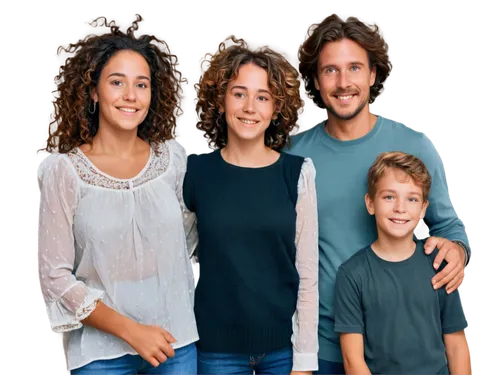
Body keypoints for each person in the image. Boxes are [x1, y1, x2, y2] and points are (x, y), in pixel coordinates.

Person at [285, 12, 472, 375]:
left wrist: (457, 250)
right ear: (316, 81)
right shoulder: (294, 157)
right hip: (323, 347)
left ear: (373, 75)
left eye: (354, 68)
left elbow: (450, 228)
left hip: (405, 349)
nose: (343, 83)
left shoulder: (413, 145)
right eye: (330, 70)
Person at [35, 13, 199, 374]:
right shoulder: (63, 169)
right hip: (100, 355)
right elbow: (54, 276)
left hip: (177, 344)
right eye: (117, 82)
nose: (130, 96)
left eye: (142, 84)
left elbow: (189, 243)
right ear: (93, 90)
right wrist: (132, 331)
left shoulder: (173, 158)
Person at [184, 33, 319, 375]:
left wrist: (303, 360)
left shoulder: (297, 173)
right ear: (220, 99)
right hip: (216, 351)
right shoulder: (195, 171)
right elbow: (177, 262)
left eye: (263, 97)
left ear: (276, 108)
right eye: (239, 93)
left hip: (282, 352)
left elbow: (307, 274)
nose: (249, 107)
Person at [333, 151, 472, 375]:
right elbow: (353, 361)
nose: (400, 208)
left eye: (412, 199)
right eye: (389, 197)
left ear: (423, 209)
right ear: (370, 203)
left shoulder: (439, 265)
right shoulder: (352, 274)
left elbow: (456, 345)